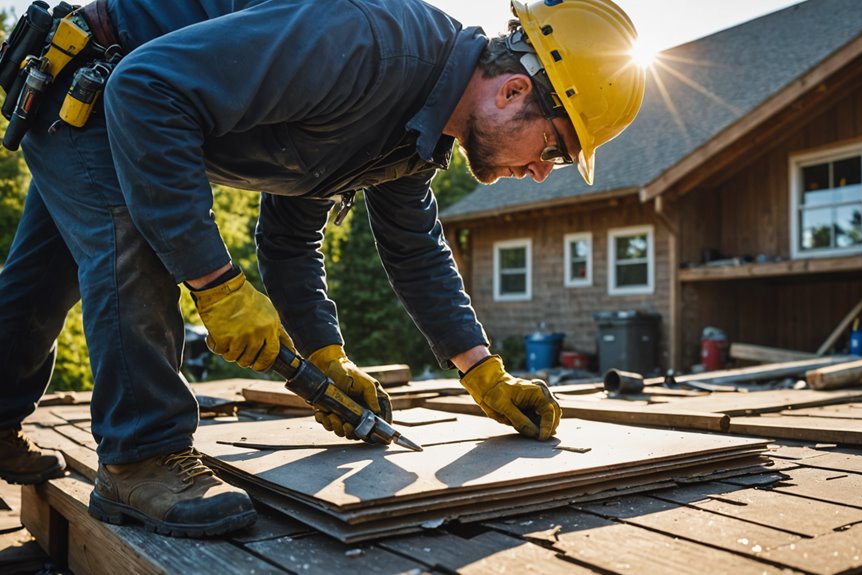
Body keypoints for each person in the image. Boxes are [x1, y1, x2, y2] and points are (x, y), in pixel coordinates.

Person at [0, 0, 644, 537]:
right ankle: (140, 458)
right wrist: (216, 286)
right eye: (555, 150)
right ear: (514, 90)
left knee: (39, 284)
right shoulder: (372, 48)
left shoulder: (420, 132)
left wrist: (474, 371)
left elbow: (382, 243)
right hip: (96, 82)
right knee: (132, 246)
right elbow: (146, 88)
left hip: (115, 99)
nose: (538, 171)